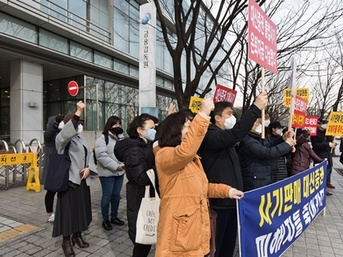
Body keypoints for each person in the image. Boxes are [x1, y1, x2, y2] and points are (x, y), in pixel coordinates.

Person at [153, 99, 244, 256]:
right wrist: (202, 115)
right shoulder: (165, 155)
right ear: (174, 130)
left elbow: (202, 187)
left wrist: (227, 191)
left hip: (195, 230)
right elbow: (184, 151)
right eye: (188, 126)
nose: (190, 130)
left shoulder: (193, 159)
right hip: (179, 236)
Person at [198, 92, 268, 257]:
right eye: (229, 114)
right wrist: (255, 108)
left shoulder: (226, 138)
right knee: (216, 248)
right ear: (217, 118)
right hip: (218, 204)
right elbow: (236, 133)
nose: (232, 117)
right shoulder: (211, 135)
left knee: (228, 247)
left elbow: (242, 135)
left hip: (232, 202)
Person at [53, 101, 97, 257]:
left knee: (81, 209)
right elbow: (66, 133)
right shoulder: (62, 140)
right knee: (68, 212)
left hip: (83, 181)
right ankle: (66, 241)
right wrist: (78, 112)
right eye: (78, 123)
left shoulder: (81, 139)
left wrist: (89, 169)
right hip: (69, 181)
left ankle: (77, 235)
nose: (80, 126)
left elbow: (89, 155)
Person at [114, 113, 158, 257]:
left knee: (146, 239)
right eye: (151, 127)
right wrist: (161, 168)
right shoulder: (134, 151)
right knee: (142, 240)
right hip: (139, 198)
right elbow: (141, 177)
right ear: (140, 130)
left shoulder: (146, 146)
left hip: (148, 195)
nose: (155, 130)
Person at [238, 118, 295, 191]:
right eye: (257, 123)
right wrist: (287, 145)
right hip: (255, 182)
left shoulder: (256, 138)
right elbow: (267, 153)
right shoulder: (248, 141)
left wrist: (283, 138)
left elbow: (269, 145)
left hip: (263, 179)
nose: (260, 124)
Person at [95, 116, 125, 231]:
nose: (117, 126)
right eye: (115, 124)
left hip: (120, 173)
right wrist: (116, 166)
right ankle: (105, 220)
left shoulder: (121, 139)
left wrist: (123, 163)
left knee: (116, 196)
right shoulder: (102, 139)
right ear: (109, 125)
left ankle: (114, 217)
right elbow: (101, 156)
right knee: (107, 197)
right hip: (107, 174)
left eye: (119, 124)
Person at [43, 114, 63, 223]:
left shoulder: (62, 133)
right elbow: (48, 133)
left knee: (62, 191)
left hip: (62, 165)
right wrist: (55, 123)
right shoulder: (49, 135)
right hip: (52, 166)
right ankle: (49, 214)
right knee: (51, 191)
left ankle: (61, 211)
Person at [311, 118, 336, 194]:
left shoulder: (328, 132)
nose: (325, 125)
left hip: (328, 154)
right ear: (318, 124)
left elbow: (331, 142)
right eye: (323, 123)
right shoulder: (314, 133)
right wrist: (327, 144)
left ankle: (325, 185)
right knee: (320, 172)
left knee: (328, 169)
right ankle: (318, 188)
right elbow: (316, 145)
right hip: (319, 155)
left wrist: (333, 143)